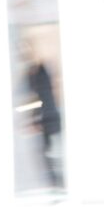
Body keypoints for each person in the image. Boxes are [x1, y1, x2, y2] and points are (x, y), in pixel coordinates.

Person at [21, 41, 64, 190]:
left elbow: (43, 96)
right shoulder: (33, 72)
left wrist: (36, 119)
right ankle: (55, 182)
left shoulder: (40, 72)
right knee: (46, 152)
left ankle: (56, 183)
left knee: (49, 152)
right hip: (44, 117)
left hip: (47, 117)